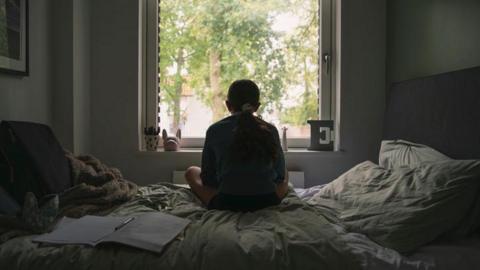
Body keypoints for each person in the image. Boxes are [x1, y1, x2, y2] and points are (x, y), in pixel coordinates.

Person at [185, 79, 288, 212]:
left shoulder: (215, 130)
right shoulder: (270, 130)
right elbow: (279, 175)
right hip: (267, 202)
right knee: (286, 173)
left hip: (227, 203)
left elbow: (208, 179)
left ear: (228, 105)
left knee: (191, 172)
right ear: (257, 106)